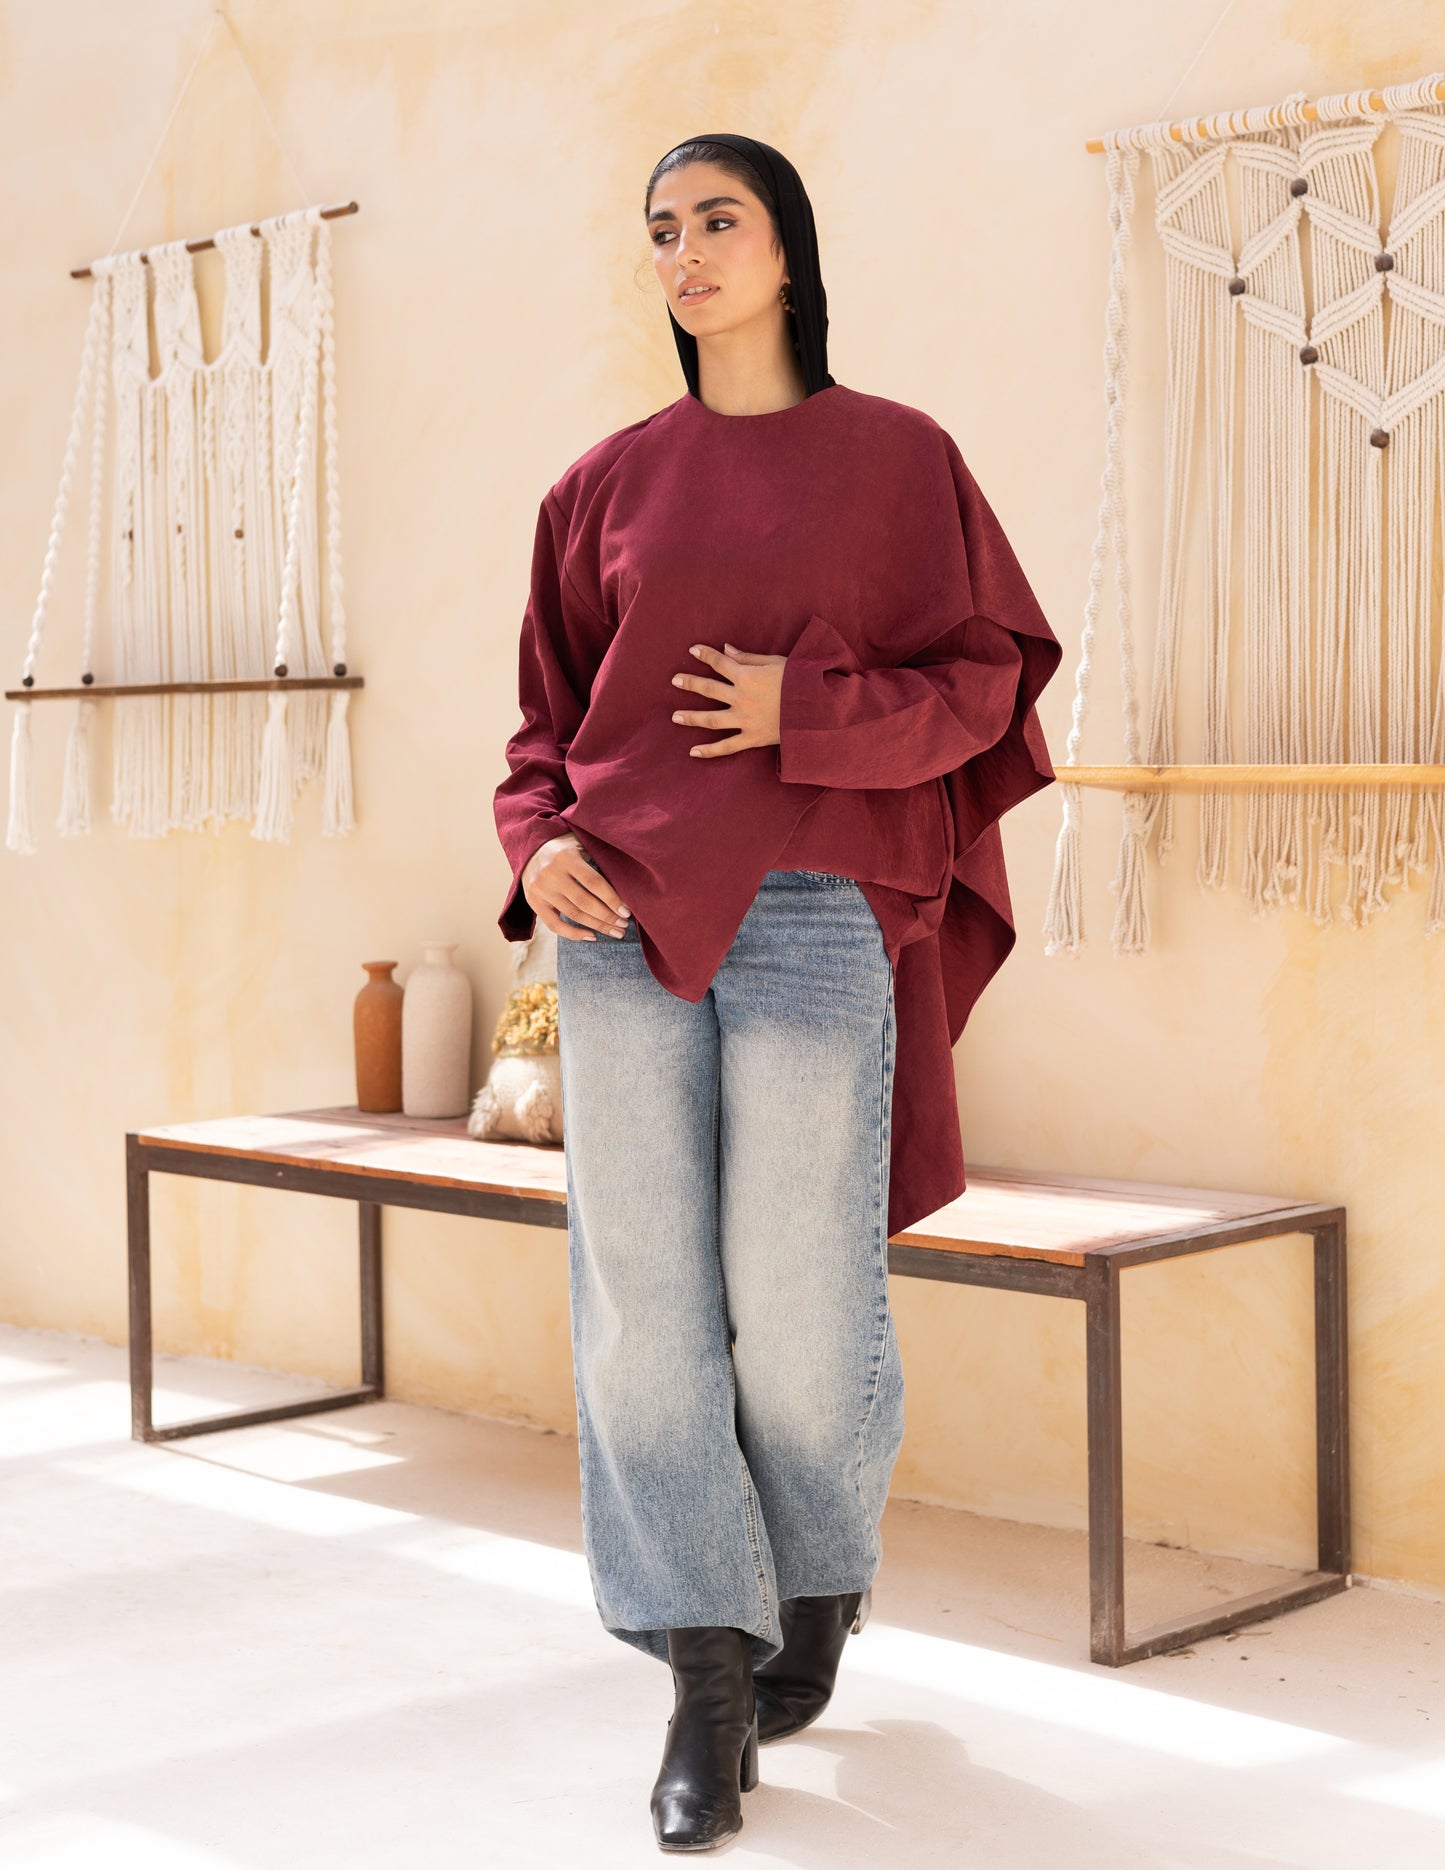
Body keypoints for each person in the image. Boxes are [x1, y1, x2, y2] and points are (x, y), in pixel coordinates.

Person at [493, 132, 1062, 1854]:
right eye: (659, 231)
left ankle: (814, 1579)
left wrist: (804, 716)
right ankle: (705, 1676)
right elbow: (542, 733)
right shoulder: (600, 482)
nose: (683, 252)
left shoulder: (900, 463)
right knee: (640, 1312)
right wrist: (533, 852)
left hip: (818, 908)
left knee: (802, 1311)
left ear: (789, 249)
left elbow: (987, 688)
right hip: (618, 920)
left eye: (716, 220)